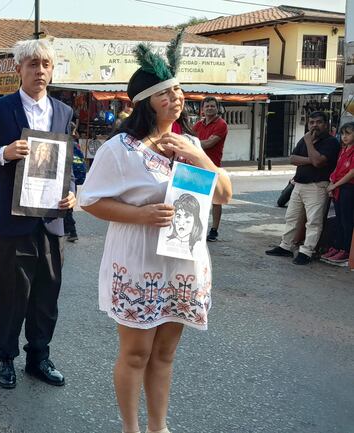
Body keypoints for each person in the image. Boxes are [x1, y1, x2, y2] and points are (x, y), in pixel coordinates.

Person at [78, 35, 232, 433]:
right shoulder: (120, 149)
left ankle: (158, 427)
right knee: (135, 353)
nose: (176, 97)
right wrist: (140, 214)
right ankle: (131, 428)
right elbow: (90, 200)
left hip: (182, 262)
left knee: (164, 354)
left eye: (178, 90)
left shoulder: (191, 142)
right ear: (146, 101)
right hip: (139, 260)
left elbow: (225, 195)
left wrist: (197, 157)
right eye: (165, 92)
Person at [0, 39, 76, 390]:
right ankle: (6, 359)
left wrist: (71, 192)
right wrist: (4, 152)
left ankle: (38, 357)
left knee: (47, 294)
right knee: (13, 294)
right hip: (14, 221)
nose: (39, 71)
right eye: (32, 64)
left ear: (52, 70)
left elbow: (67, 164)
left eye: (45, 64)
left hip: (51, 219)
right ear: (19, 69)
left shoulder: (63, 111)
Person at [266, 111, 340, 265]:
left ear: (326, 124)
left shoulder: (330, 142)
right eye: (311, 122)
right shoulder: (305, 139)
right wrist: (311, 159)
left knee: (314, 221)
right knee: (292, 217)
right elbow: (292, 158)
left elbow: (319, 162)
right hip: (299, 184)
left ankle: (307, 251)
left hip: (317, 185)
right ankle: (286, 246)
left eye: (318, 122)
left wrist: (308, 143)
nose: (314, 126)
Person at [193, 96, 228, 242]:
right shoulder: (198, 125)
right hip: (197, 165)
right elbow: (190, 137)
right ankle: (198, 228)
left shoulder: (221, 124)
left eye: (212, 106)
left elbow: (209, 144)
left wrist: (190, 143)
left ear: (217, 108)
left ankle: (214, 230)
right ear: (202, 109)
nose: (209, 109)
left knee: (216, 200)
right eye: (207, 106)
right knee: (197, 200)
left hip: (213, 166)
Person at [321, 122, 354, 265]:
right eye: (343, 134)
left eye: (348, 133)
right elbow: (337, 169)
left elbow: (352, 173)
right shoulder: (343, 150)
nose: (344, 137)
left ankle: (345, 250)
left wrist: (335, 185)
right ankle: (337, 246)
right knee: (339, 221)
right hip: (338, 188)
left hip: (348, 189)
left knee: (347, 222)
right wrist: (331, 183)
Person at [64, 124, 86, 242]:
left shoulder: (66, 144)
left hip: (68, 178)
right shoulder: (75, 144)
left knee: (67, 208)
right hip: (75, 179)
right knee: (67, 207)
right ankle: (67, 230)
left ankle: (72, 231)